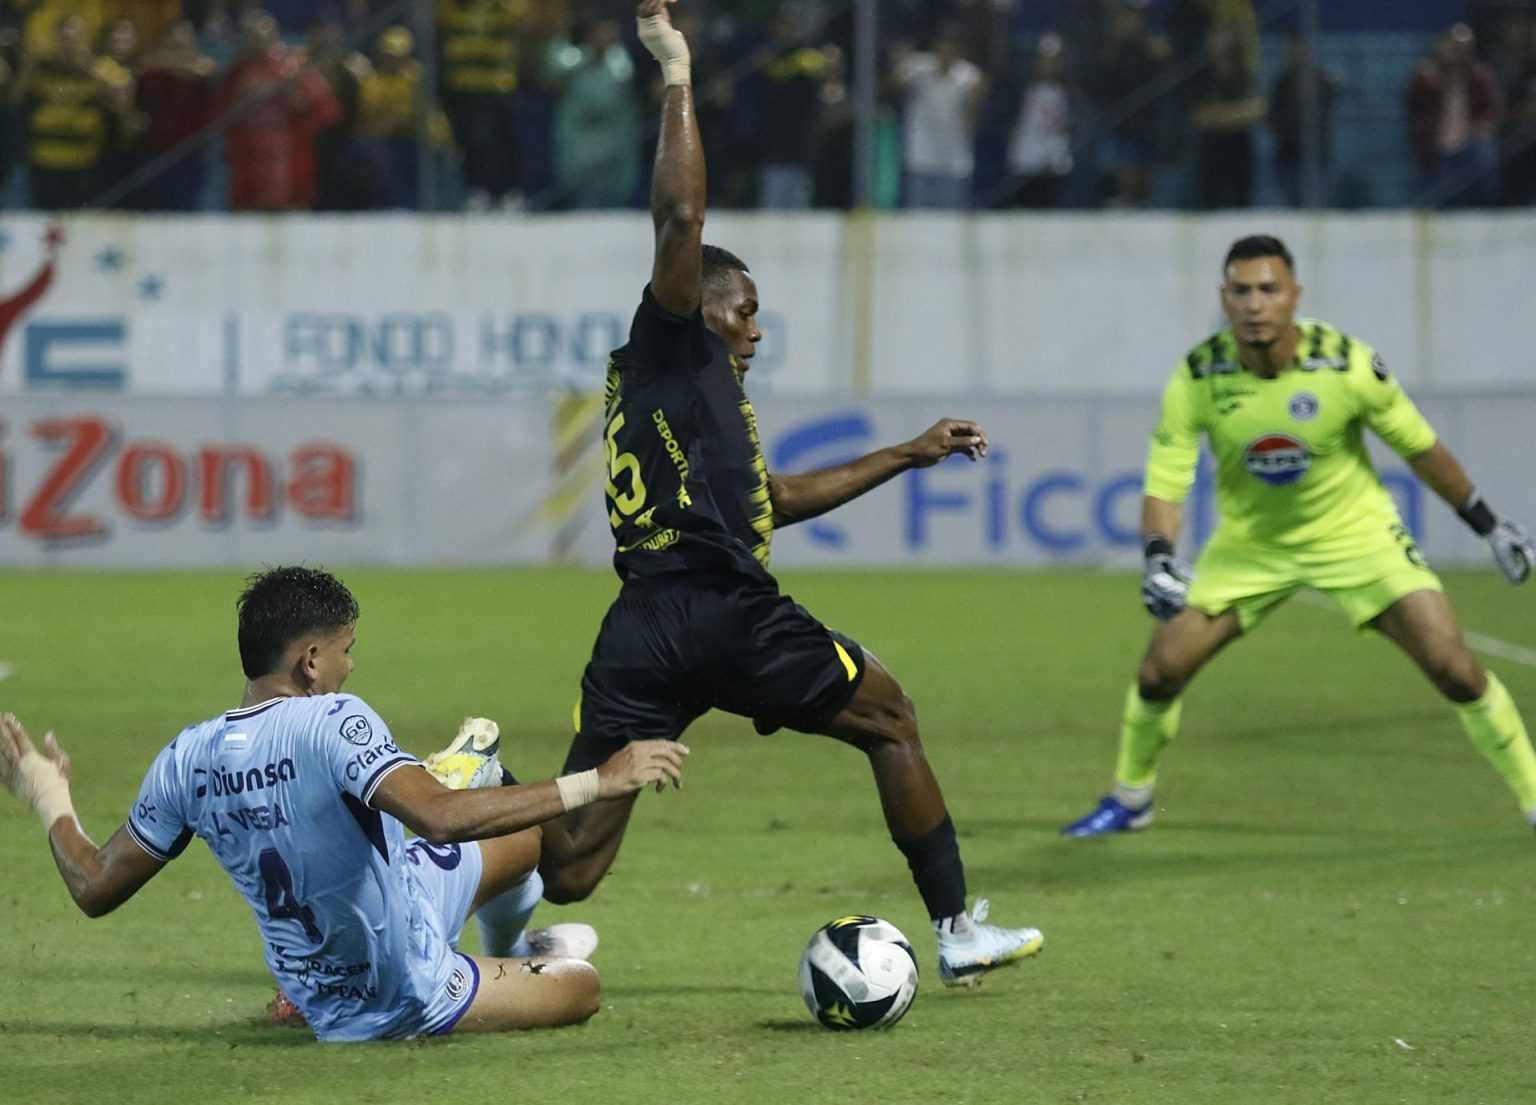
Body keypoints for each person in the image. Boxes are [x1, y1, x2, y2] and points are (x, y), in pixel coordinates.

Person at [518, 0, 1043, 989]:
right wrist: (675, 70)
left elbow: (776, 498)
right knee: (890, 717)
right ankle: (957, 927)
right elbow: (681, 217)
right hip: (724, 611)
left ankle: (477, 817)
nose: (757, 329)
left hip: (646, 625)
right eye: (746, 310)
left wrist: (904, 452)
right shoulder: (673, 339)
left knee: (575, 865)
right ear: (702, 302)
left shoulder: (684, 395)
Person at [0, 565, 689, 1041]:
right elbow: (441, 817)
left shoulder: (187, 757)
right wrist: (600, 778)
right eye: (345, 649)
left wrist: (46, 789)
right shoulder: (331, 718)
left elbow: (93, 885)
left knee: (525, 836)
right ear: (309, 659)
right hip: (394, 994)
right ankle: (503, 963)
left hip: (388, 907)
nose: (350, 665)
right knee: (583, 983)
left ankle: (504, 943)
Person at [1061, 235, 1536, 839]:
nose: (1255, 304)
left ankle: (1533, 795)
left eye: (1268, 290)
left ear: (1294, 297)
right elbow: (1166, 483)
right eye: (1242, 291)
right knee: (1160, 672)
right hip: (1251, 546)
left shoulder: (1347, 365)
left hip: (1357, 536)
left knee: (1455, 669)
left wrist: (1488, 525)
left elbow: (1420, 449)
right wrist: (1158, 557)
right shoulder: (1199, 376)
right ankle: (1132, 800)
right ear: (1223, 299)